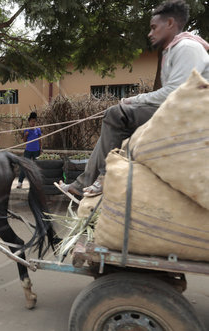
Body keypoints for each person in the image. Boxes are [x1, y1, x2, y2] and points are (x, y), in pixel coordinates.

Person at [59, 0, 209, 197]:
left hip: (191, 113)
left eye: (154, 27)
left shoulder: (186, 47)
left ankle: (106, 177)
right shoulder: (174, 49)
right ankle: (85, 182)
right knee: (114, 120)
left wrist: (134, 100)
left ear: (170, 23)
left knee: (116, 114)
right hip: (179, 109)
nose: (150, 33)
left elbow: (176, 92)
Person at [17, 112, 43, 189]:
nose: (33, 123)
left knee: (36, 167)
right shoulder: (26, 130)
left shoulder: (38, 129)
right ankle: (20, 183)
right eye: (32, 121)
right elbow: (24, 141)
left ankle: (36, 183)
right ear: (29, 122)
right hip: (28, 150)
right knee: (24, 166)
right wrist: (26, 135)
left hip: (36, 151)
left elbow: (40, 140)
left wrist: (41, 149)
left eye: (34, 121)